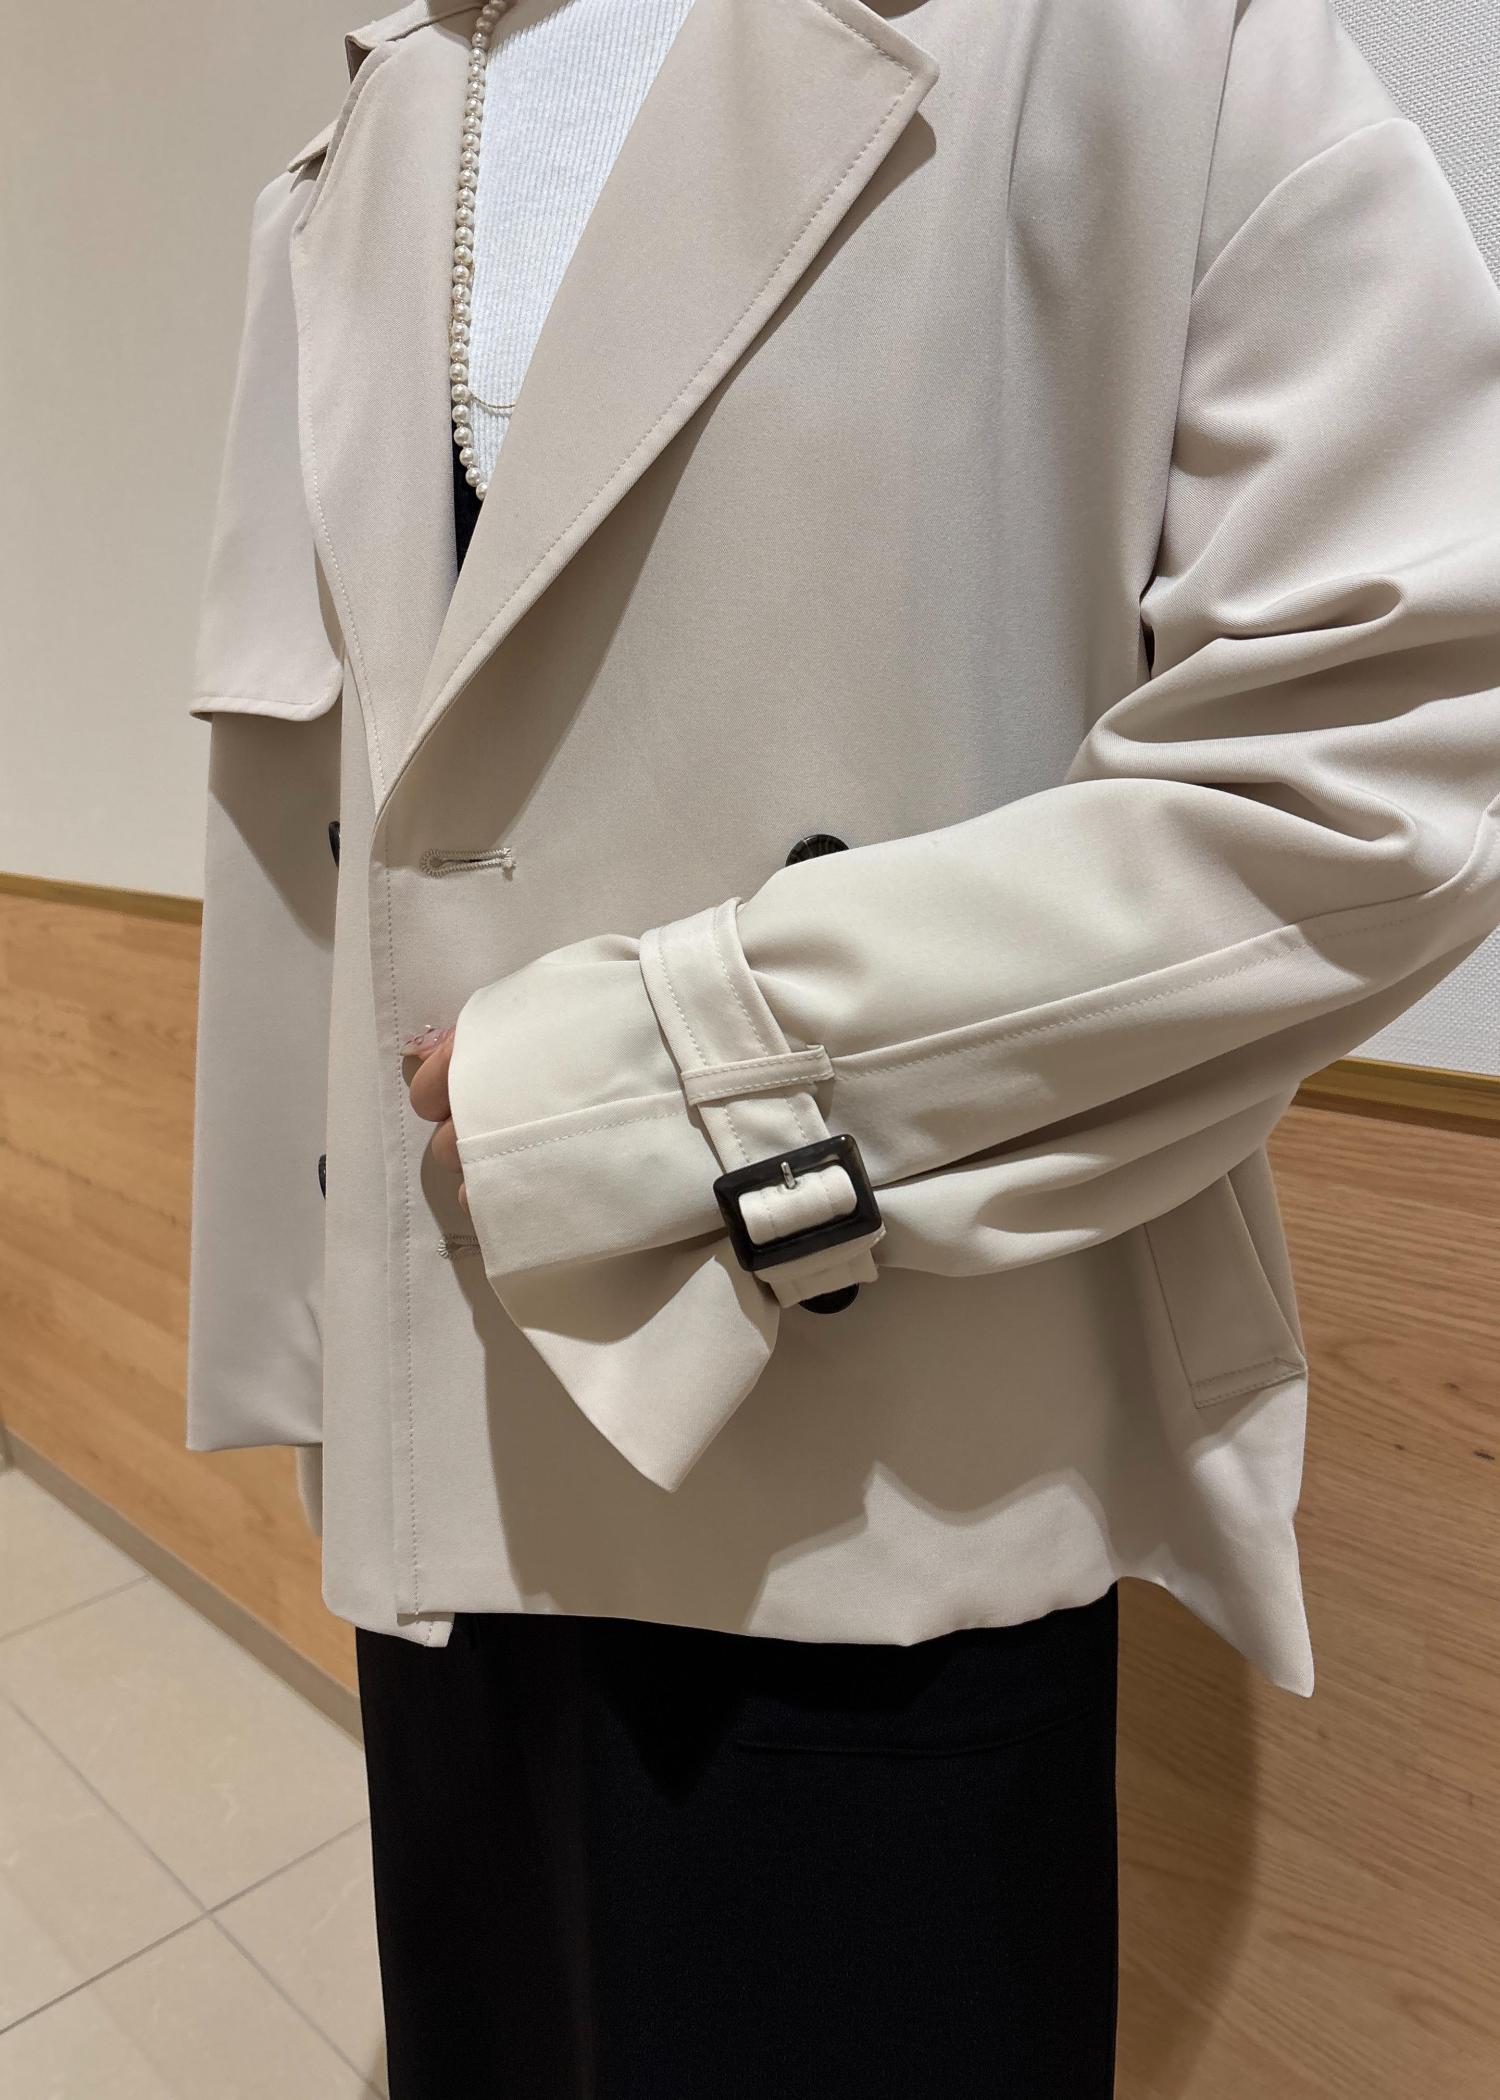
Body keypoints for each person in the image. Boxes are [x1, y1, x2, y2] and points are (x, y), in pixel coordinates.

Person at [184, 0, 1500, 2092]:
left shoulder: (1120, 41)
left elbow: (1396, 746)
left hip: (872, 1483)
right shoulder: (383, 121)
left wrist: (670, 1075)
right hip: (444, 1476)